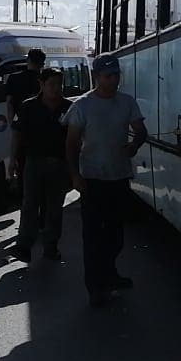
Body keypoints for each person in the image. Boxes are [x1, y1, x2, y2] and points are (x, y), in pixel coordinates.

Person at [63, 54, 148, 306]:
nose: (113, 80)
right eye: (108, 76)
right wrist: (75, 175)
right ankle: (95, 288)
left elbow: (141, 130)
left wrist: (134, 144)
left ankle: (110, 274)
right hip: (92, 180)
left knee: (116, 235)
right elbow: (71, 144)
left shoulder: (127, 102)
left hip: (119, 177)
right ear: (97, 77)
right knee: (93, 237)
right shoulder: (82, 106)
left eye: (116, 75)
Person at [8, 68, 73, 263]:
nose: (55, 88)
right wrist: (12, 160)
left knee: (54, 208)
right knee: (29, 205)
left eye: (59, 84)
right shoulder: (28, 106)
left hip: (60, 164)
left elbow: (77, 138)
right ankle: (24, 247)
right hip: (34, 163)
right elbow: (17, 134)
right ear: (41, 85)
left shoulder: (69, 108)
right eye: (51, 84)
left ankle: (50, 247)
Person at [4, 48, 46, 182]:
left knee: (22, 166)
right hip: (42, 127)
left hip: (21, 125)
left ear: (28, 60)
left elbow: (9, 103)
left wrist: (12, 123)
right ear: (43, 63)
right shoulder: (46, 80)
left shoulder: (14, 78)